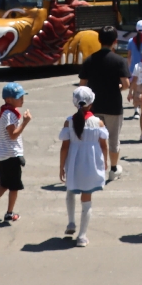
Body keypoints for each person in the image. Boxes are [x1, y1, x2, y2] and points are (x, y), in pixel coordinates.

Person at [79, 25, 130, 182]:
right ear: (115, 41)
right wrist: (117, 88)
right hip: (113, 105)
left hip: (93, 106)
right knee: (113, 138)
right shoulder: (119, 61)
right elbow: (126, 84)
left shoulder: (89, 60)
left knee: (93, 137)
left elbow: (82, 85)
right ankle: (113, 169)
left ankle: (95, 167)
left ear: (99, 40)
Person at [59, 86, 109, 247]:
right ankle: (82, 235)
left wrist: (61, 166)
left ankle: (71, 222)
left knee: (70, 191)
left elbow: (64, 147)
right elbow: (104, 145)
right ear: (91, 103)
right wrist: (105, 162)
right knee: (86, 199)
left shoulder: (69, 121)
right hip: (91, 163)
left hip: (74, 162)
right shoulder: (98, 122)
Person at [0, 82, 32, 222]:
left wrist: (2, 143)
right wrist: (25, 122)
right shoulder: (10, 114)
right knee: (14, 187)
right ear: (8, 100)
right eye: (19, 97)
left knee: (4, 183)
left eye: (22, 96)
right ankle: (9, 213)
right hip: (12, 156)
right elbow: (13, 135)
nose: (22, 99)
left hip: (2, 156)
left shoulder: (4, 113)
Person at [127, 20, 142, 118]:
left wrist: (130, 68)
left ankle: (136, 110)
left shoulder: (130, 41)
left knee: (135, 89)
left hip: (134, 68)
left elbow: (129, 56)